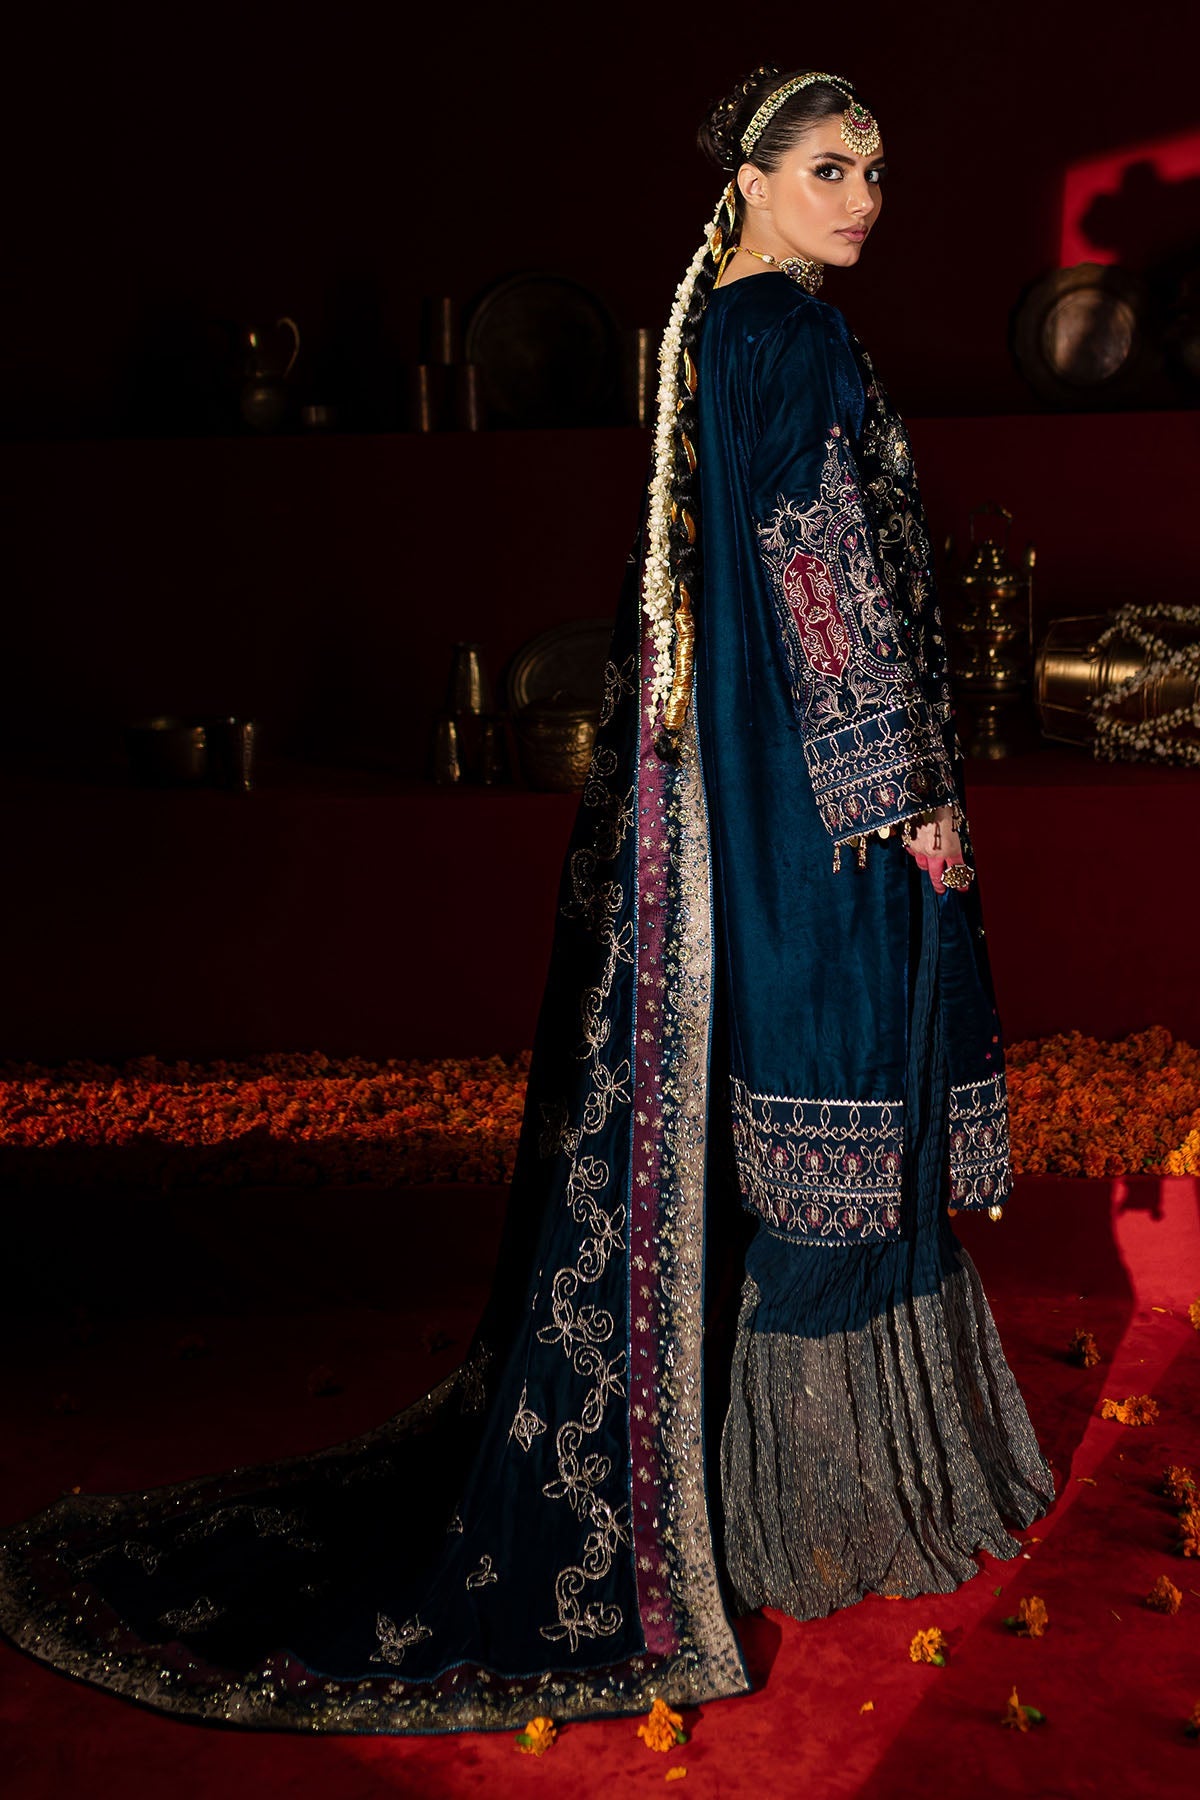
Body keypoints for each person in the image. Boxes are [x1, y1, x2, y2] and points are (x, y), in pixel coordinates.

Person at [0, 65, 1054, 1734]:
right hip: (818, 803)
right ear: (752, 180)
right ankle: (833, 1506)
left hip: (742, 783)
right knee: (841, 1091)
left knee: (769, 1118)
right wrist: (900, 793)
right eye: (829, 168)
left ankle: (768, 1492)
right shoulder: (785, 333)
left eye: (876, 172)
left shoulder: (714, 326)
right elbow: (813, 561)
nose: (863, 199)